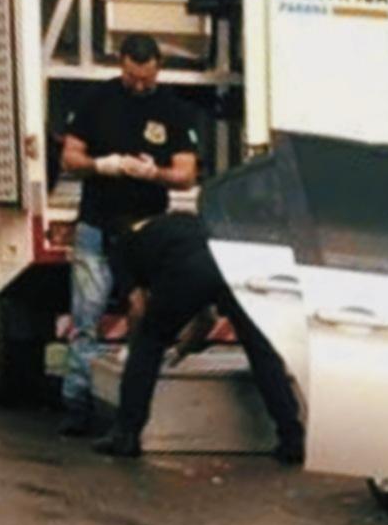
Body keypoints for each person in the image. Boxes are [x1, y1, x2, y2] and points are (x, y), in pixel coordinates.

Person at [57, 34, 201, 437]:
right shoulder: (97, 101)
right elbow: (70, 157)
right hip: (97, 226)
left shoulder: (171, 110)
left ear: (158, 69)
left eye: (147, 79)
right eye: (133, 77)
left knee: (145, 316)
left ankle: (131, 403)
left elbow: (186, 173)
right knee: (87, 314)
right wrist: (103, 165)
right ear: (120, 64)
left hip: (146, 231)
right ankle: (77, 401)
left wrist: (154, 173)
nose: (140, 86)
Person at [93, 211, 304, 463]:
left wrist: (134, 350)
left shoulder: (120, 249)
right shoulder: (176, 224)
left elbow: (137, 307)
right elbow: (206, 319)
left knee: (148, 343)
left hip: (188, 269)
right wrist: (182, 351)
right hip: (234, 264)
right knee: (259, 348)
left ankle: (126, 435)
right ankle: (292, 437)